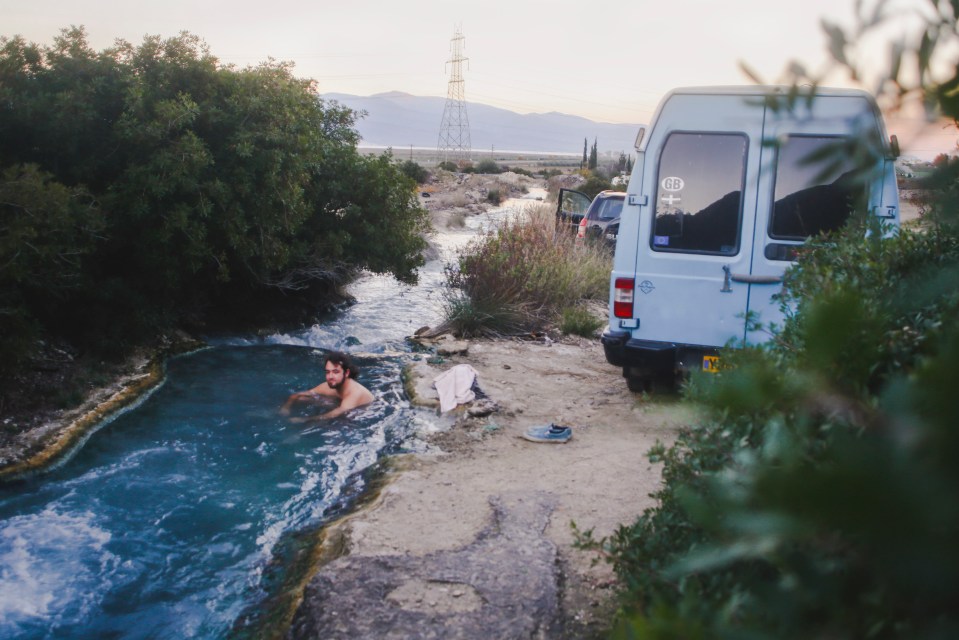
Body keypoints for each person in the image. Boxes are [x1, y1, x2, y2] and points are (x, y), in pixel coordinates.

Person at [280, 351, 374, 421]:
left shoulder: (355, 392)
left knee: (340, 421)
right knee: (302, 399)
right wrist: (286, 407)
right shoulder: (328, 386)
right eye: (328, 372)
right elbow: (300, 395)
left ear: (346, 373)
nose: (330, 377)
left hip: (363, 412)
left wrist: (305, 419)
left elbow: (336, 413)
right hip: (340, 404)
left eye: (335, 372)